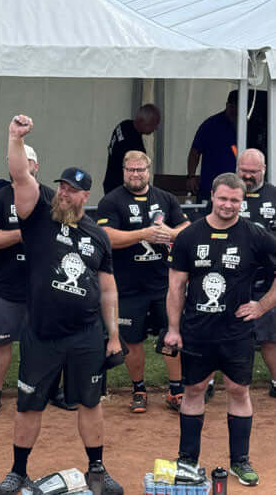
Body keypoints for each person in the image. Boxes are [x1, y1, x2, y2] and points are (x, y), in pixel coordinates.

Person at [0, 114, 123, 495]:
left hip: (86, 335)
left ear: (86, 196)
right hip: (42, 333)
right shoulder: (38, 217)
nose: (64, 193)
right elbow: (21, 176)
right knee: (28, 405)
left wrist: (114, 336)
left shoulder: (98, 236)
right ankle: (18, 471)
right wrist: (15, 138)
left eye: (72, 190)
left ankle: (97, 469)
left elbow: (108, 289)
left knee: (90, 403)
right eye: (62, 186)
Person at [166, 172, 276, 487]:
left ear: (243, 202)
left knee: (238, 390)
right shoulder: (189, 236)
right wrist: (173, 329)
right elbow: (176, 287)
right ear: (212, 196)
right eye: (223, 198)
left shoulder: (255, 236)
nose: (228, 205)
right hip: (197, 330)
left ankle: (240, 461)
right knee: (194, 390)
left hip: (237, 331)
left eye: (235, 200)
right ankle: (187, 460)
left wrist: (262, 306)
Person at [0, 145, 76, 414]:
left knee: (51, 341)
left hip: (47, 286)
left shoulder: (52, 197)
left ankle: (52, 390)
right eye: (17, 161)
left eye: (28, 161)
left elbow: (71, 232)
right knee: (0, 342)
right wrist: (22, 234)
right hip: (7, 286)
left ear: (36, 165)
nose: (22, 165)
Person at [97, 150, 189, 413]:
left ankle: (176, 390)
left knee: (171, 336)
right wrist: (143, 235)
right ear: (123, 171)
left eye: (140, 169)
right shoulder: (111, 200)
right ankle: (139, 389)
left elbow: (186, 228)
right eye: (131, 170)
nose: (135, 174)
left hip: (163, 285)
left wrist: (171, 233)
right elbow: (106, 236)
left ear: (148, 171)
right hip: (128, 286)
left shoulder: (166, 198)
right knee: (133, 341)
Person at [237, 149, 276, 398]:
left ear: (263, 170)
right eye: (244, 171)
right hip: (233, 276)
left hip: (268, 278)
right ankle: (208, 384)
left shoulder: (274, 195)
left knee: (270, 336)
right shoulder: (228, 192)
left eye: (253, 171)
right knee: (220, 334)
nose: (248, 176)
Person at [186, 90, 237, 201]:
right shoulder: (211, 125)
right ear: (227, 105)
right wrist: (191, 176)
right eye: (232, 107)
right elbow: (195, 152)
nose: (234, 111)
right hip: (210, 187)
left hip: (237, 188)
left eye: (237, 108)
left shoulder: (249, 125)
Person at [103, 104, 161, 194]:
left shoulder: (124, 125)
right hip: (122, 190)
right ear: (142, 121)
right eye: (153, 124)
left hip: (110, 183)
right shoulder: (134, 145)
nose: (155, 128)